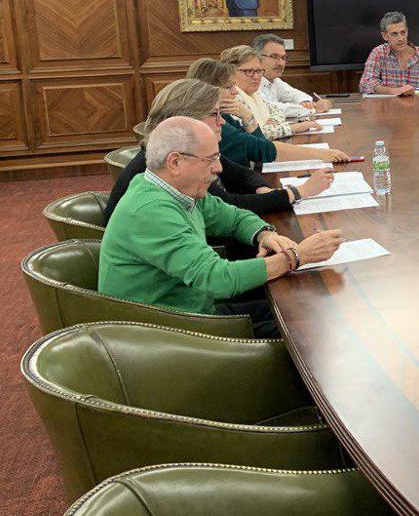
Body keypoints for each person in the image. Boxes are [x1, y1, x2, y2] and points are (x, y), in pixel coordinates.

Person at [99, 117, 344, 336]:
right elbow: (217, 278)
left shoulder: (173, 189)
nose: (219, 168)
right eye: (211, 159)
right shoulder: (151, 210)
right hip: (170, 333)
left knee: (305, 304)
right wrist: (297, 256)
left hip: (191, 308)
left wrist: (264, 233)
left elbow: (234, 217)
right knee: (310, 320)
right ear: (175, 162)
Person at [103, 79, 333, 228]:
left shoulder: (181, 149)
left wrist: (259, 187)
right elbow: (229, 205)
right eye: (214, 114)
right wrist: (298, 192)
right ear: (187, 120)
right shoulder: (174, 163)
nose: (222, 121)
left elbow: (238, 173)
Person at [186, 57, 348, 168]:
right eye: (229, 86)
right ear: (209, 90)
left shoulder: (224, 115)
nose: (235, 92)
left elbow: (259, 147)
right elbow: (261, 149)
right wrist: (322, 154)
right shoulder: (210, 123)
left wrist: (248, 118)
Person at [221, 45, 320, 140]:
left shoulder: (254, 94)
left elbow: (278, 111)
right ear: (230, 72)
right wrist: (293, 128)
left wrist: (272, 122)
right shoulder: (231, 98)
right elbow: (252, 135)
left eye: (259, 71)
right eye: (249, 71)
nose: (256, 77)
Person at [359, 11, 419, 96]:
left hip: (418, 108)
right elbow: (365, 84)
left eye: (403, 32)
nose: (400, 38)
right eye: (394, 34)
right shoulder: (378, 53)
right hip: (388, 108)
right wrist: (393, 91)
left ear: (407, 31)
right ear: (385, 36)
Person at [253, 33, 333, 115]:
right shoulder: (251, 81)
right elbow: (269, 108)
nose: (280, 63)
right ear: (257, 57)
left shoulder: (274, 81)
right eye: (274, 56)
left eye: (283, 58)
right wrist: (311, 109)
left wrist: (306, 101)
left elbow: (295, 94)